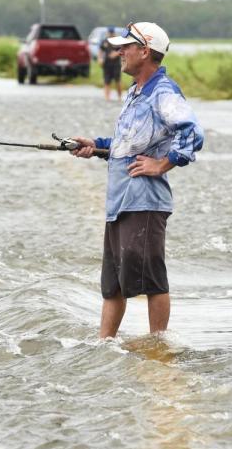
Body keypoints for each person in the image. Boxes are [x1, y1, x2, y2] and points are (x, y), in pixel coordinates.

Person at [71, 21, 204, 338]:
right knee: (112, 286)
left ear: (144, 52)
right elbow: (127, 143)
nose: (119, 53)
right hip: (119, 203)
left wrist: (162, 164)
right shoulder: (135, 92)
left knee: (152, 281)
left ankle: (159, 349)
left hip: (144, 203)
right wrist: (96, 146)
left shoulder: (163, 92)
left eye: (126, 47)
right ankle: (103, 347)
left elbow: (193, 133)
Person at [99, 27, 123, 100]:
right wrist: (100, 59)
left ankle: (119, 96)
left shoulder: (118, 41)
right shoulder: (105, 41)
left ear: (114, 33)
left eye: (112, 33)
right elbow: (101, 50)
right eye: (109, 33)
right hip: (107, 63)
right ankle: (107, 97)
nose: (111, 34)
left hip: (116, 64)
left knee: (117, 80)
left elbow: (122, 50)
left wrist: (116, 54)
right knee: (106, 81)